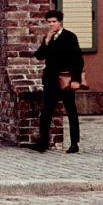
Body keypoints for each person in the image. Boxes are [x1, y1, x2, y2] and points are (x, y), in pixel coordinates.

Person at [30, 9, 84, 153]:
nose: (51, 24)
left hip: (66, 80)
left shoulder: (70, 37)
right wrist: (46, 41)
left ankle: (74, 143)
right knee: (46, 111)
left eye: (54, 22)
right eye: (49, 22)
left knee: (71, 111)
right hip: (50, 80)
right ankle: (42, 143)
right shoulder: (48, 38)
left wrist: (76, 79)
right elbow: (39, 56)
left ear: (60, 22)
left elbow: (78, 60)